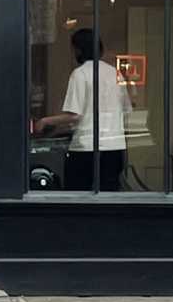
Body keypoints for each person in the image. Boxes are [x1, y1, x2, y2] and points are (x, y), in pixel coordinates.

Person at [36, 29, 130, 192]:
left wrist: (45, 121)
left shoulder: (80, 74)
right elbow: (125, 108)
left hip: (86, 148)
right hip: (115, 147)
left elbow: (74, 115)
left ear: (78, 49)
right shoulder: (115, 74)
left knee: (78, 196)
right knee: (110, 197)